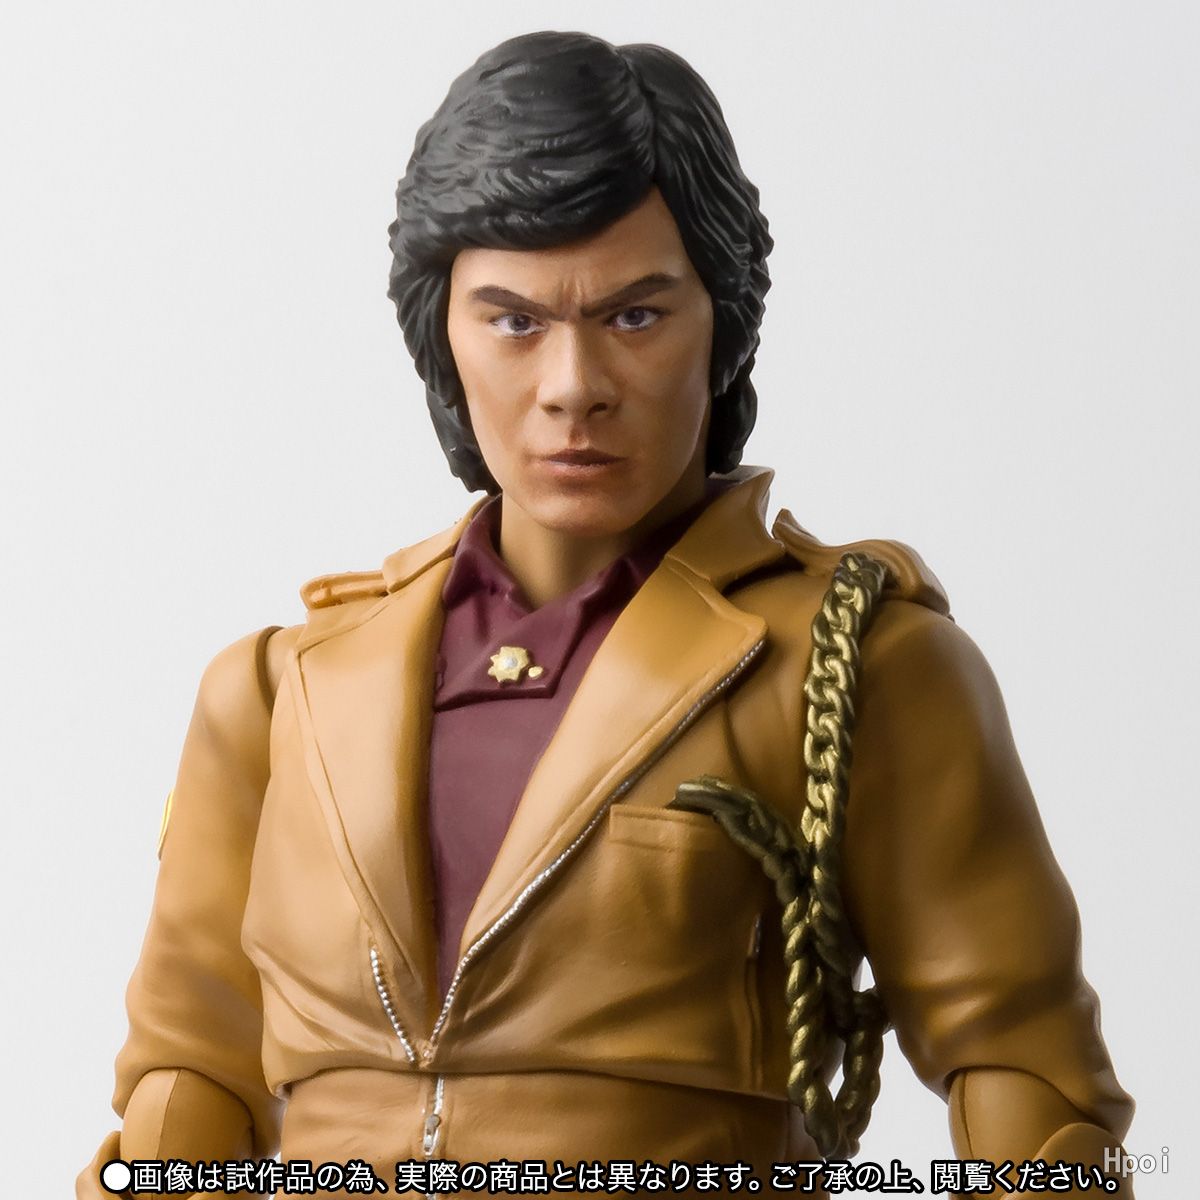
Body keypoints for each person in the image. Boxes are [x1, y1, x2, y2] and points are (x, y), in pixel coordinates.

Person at [79, 31, 1134, 1197]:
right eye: (513, 321)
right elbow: (188, 1080)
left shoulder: (857, 665)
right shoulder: (286, 690)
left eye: (635, 317)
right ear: (442, 338)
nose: (572, 386)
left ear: (722, 325)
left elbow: (1025, 1080)